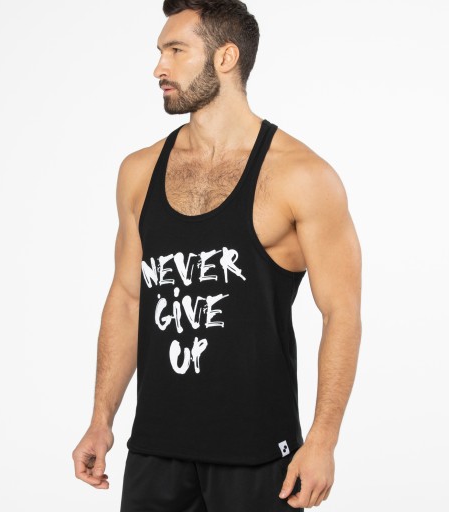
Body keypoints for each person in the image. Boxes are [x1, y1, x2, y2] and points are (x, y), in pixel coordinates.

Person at [72, 1, 362, 510]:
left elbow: (342, 313)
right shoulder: (139, 171)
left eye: (175, 51)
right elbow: (128, 298)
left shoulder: (301, 176)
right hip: (155, 452)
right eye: (160, 51)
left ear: (226, 58)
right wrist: (101, 420)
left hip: (258, 458)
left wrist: (322, 441)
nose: (158, 68)